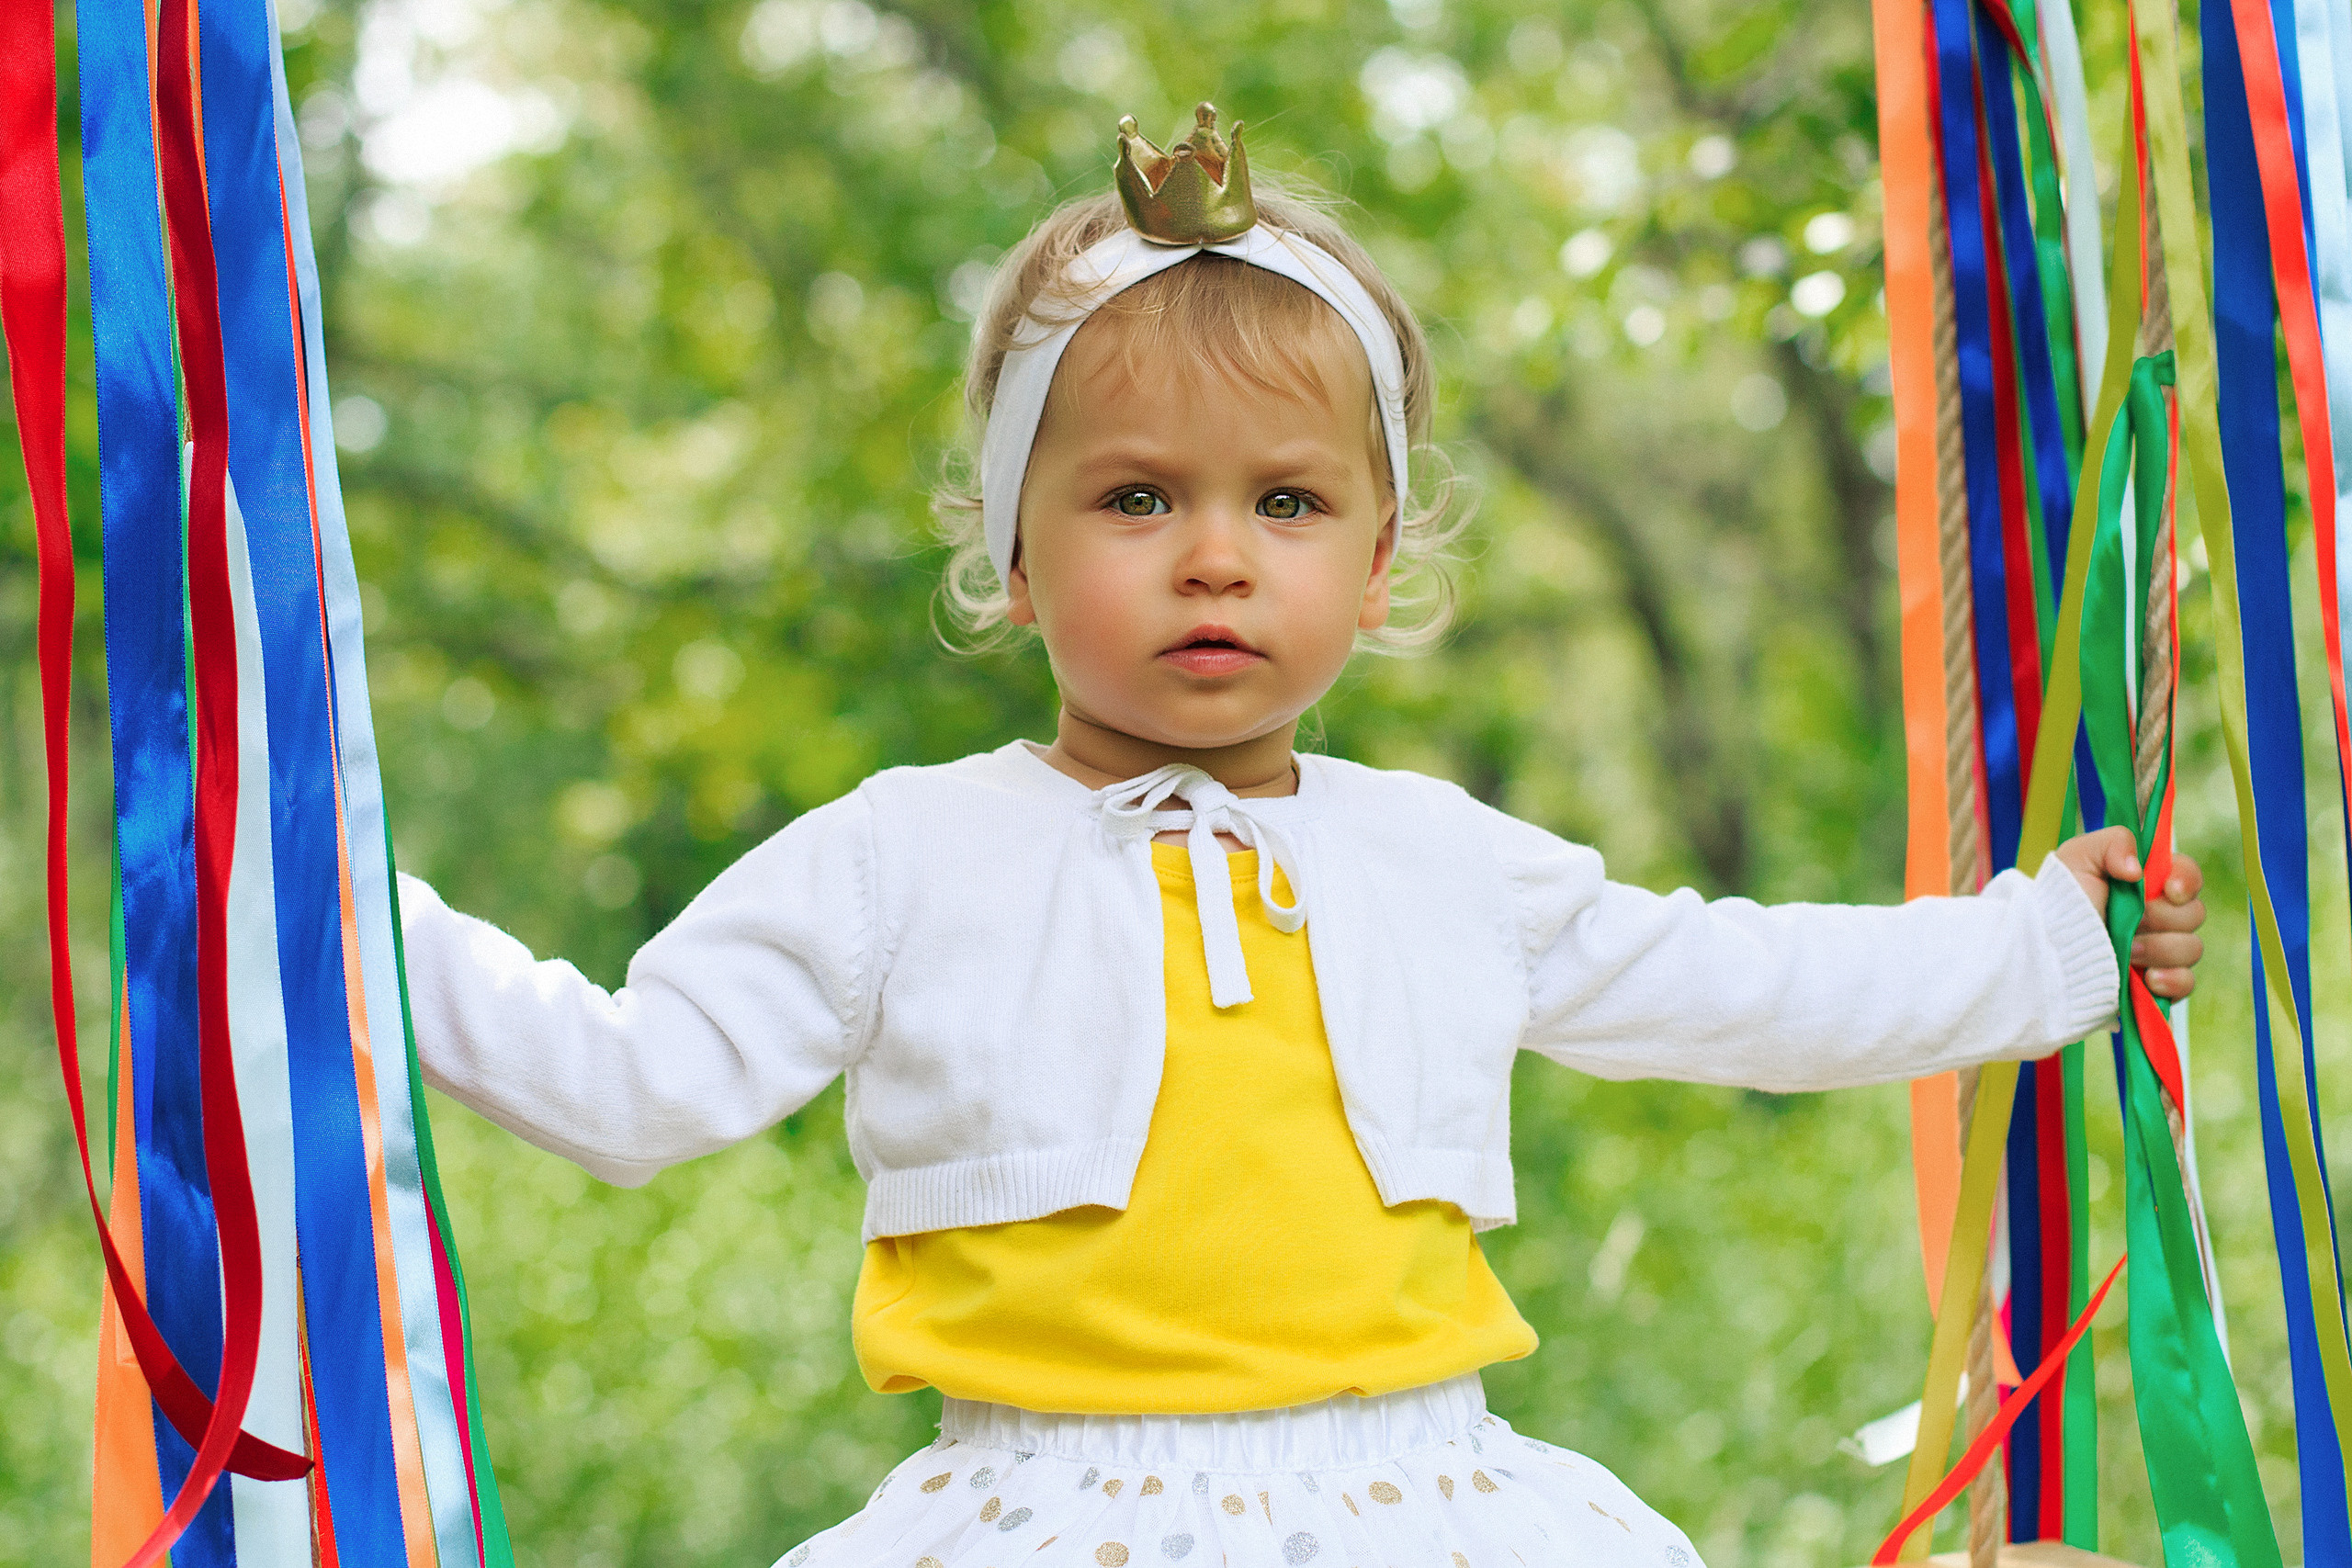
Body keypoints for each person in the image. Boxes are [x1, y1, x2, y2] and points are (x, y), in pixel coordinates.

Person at [395, 107, 2207, 1567]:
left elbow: (1744, 978)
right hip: (1048, 1510)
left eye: (1283, 499)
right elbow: (625, 1083)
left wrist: (2041, 943)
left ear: (1378, 558)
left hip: (1416, 1504)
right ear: (1010, 555)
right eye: (1132, 496)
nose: (1213, 552)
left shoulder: (1442, 860)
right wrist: (328, 899)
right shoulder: (897, 858)